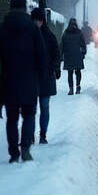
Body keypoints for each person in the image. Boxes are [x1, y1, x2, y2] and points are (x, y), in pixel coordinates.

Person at [0, 0, 48, 163]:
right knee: (29, 115)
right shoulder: (33, 29)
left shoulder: (2, 29)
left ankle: (13, 152)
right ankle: (26, 148)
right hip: (29, 81)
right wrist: (42, 77)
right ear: (25, 7)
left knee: (12, 118)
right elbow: (42, 55)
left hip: (9, 81)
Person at [31, 8, 61, 144]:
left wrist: (56, 68)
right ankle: (30, 134)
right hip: (33, 76)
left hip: (45, 75)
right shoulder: (29, 35)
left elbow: (56, 54)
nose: (37, 23)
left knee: (44, 106)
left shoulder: (49, 36)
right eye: (35, 20)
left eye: (39, 20)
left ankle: (43, 135)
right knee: (32, 108)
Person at [61, 18, 87, 95]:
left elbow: (62, 45)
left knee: (70, 73)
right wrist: (83, 53)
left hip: (68, 56)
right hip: (77, 55)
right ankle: (78, 87)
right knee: (78, 72)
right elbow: (83, 44)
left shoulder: (65, 33)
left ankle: (71, 89)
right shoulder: (79, 33)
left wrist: (61, 55)